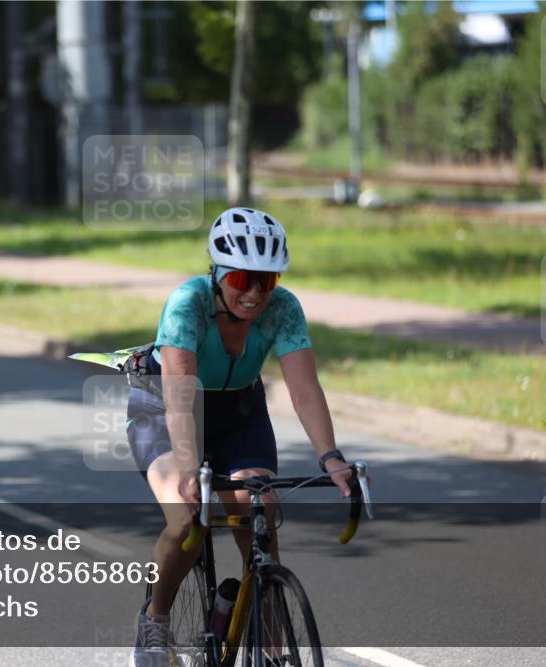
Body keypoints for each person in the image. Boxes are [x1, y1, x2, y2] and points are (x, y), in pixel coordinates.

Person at [128, 207, 353, 667]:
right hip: (167, 405)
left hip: (239, 412)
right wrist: (190, 471)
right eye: (241, 280)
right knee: (188, 518)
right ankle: (155, 620)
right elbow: (179, 392)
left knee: (261, 512)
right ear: (218, 274)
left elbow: (304, 388)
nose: (253, 294)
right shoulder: (187, 304)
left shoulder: (284, 309)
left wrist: (330, 457)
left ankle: (268, 647)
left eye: (265, 282)